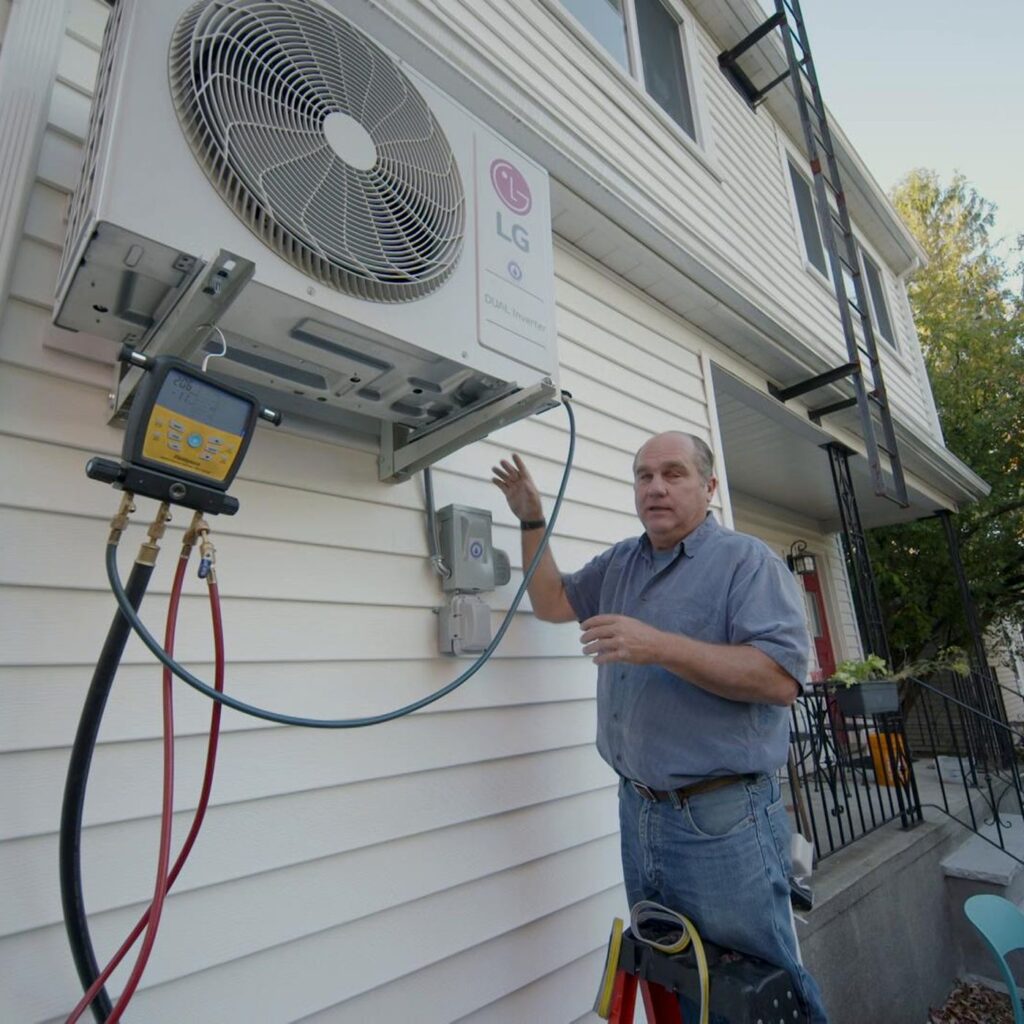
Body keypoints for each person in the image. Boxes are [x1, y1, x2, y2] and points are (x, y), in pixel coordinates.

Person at [492, 431, 829, 1024]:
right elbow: (548, 602)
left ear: (709, 486)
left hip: (722, 818)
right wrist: (531, 519)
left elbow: (778, 679)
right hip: (640, 810)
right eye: (644, 476)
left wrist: (659, 646)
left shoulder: (746, 563)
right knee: (683, 983)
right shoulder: (623, 562)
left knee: (758, 991)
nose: (656, 488)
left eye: (673, 474)